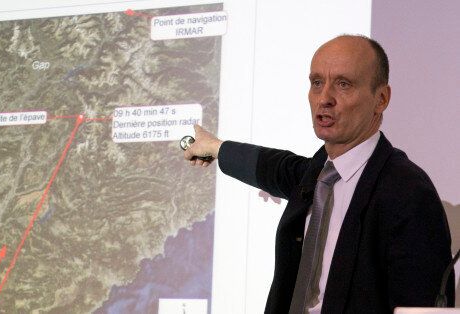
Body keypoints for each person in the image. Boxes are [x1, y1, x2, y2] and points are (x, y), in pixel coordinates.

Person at [184, 35, 455, 313]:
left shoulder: (407, 192)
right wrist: (216, 148)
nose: (324, 99)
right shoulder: (319, 174)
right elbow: (273, 166)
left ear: (381, 98)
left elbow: (421, 305)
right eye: (316, 83)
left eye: (343, 84)